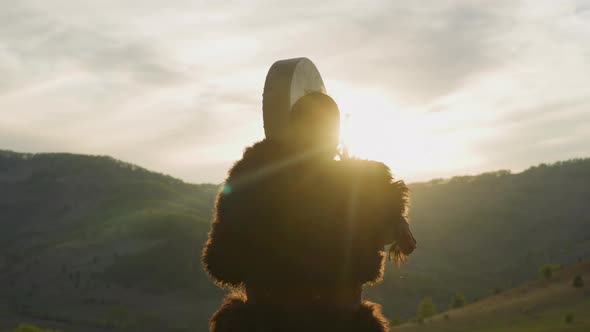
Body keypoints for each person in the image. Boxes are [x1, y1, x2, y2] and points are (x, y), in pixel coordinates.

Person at [202, 92, 416, 332]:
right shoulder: (361, 184)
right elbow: (396, 238)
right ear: (334, 134)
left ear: (293, 128)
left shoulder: (248, 180)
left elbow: (222, 264)